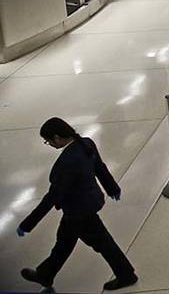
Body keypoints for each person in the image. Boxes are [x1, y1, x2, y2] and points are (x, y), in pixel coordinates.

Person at [17, 118, 137, 291]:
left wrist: (27, 224)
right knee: (64, 242)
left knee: (103, 243)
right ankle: (45, 274)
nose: (49, 144)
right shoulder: (85, 143)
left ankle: (126, 275)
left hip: (79, 212)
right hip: (86, 204)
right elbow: (99, 167)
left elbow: (52, 197)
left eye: (48, 141)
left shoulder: (67, 162)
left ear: (57, 137)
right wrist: (112, 189)